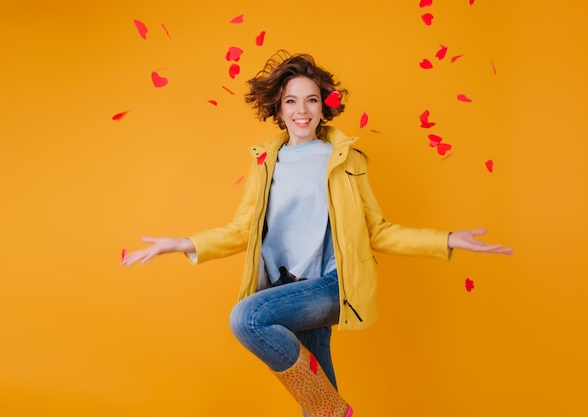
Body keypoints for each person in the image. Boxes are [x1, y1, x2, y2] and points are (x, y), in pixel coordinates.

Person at [121, 50, 512, 417]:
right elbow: (243, 229)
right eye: (291, 101)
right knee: (319, 403)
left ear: (324, 105)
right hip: (284, 285)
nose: (301, 110)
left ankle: (332, 409)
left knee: (248, 320)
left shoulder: (345, 159)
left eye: (311, 100)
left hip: (329, 284)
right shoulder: (264, 161)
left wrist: (444, 239)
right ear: (278, 107)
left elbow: (377, 230)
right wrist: (182, 243)